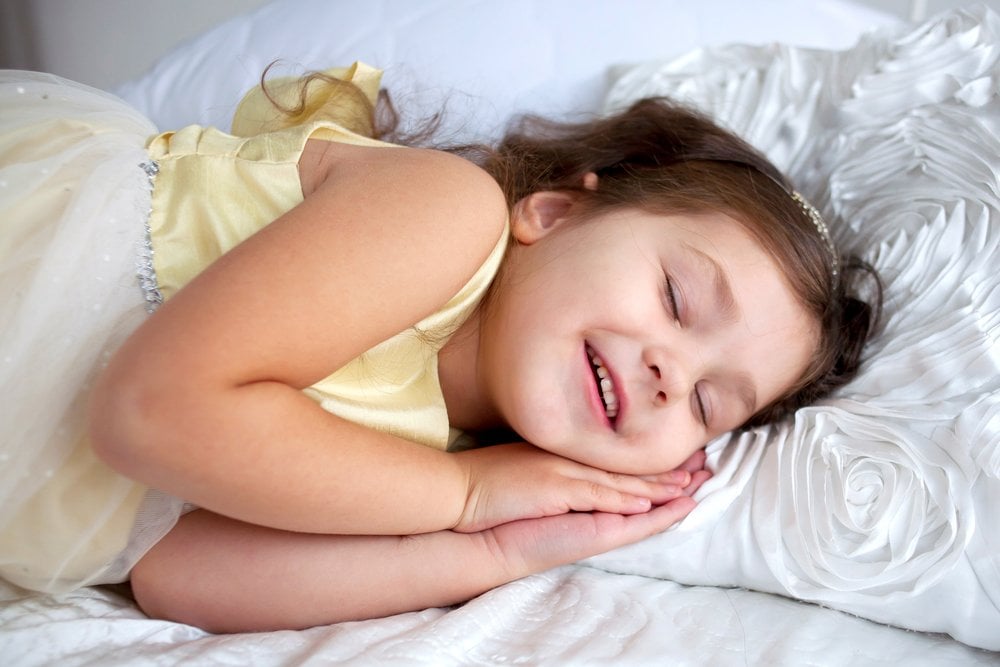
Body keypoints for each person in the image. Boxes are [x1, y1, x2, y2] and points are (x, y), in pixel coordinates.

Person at [0, 63, 877, 633]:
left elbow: (176, 572)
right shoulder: (445, 217)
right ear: (555, 212)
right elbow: (151, 411)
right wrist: (465, 496)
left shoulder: (427, 455)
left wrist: (499, 550)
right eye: (677, 297)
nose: (668, 373)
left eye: (706, 403)